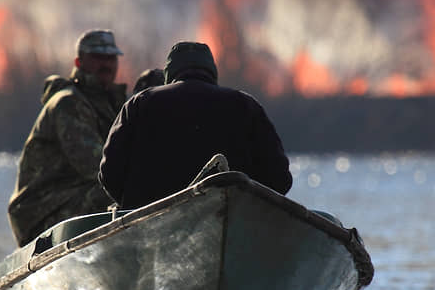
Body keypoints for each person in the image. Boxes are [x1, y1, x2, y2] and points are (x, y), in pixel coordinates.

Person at [99, 41, 292, 209]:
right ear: (212, 71)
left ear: (169, 73)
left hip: (149, 227)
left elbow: (109, 174)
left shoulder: (140, 103)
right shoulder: (245, 104)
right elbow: (279, 178)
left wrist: (134, 205)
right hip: (238, 217)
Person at [8, 29, 127, 246]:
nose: (106, 65)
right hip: (42, 212)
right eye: (98, 58)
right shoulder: (68, 104)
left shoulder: (108, 105)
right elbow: (98, 167)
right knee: (120, 191)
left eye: (111, 58)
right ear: (79, 62)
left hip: (72, 200)